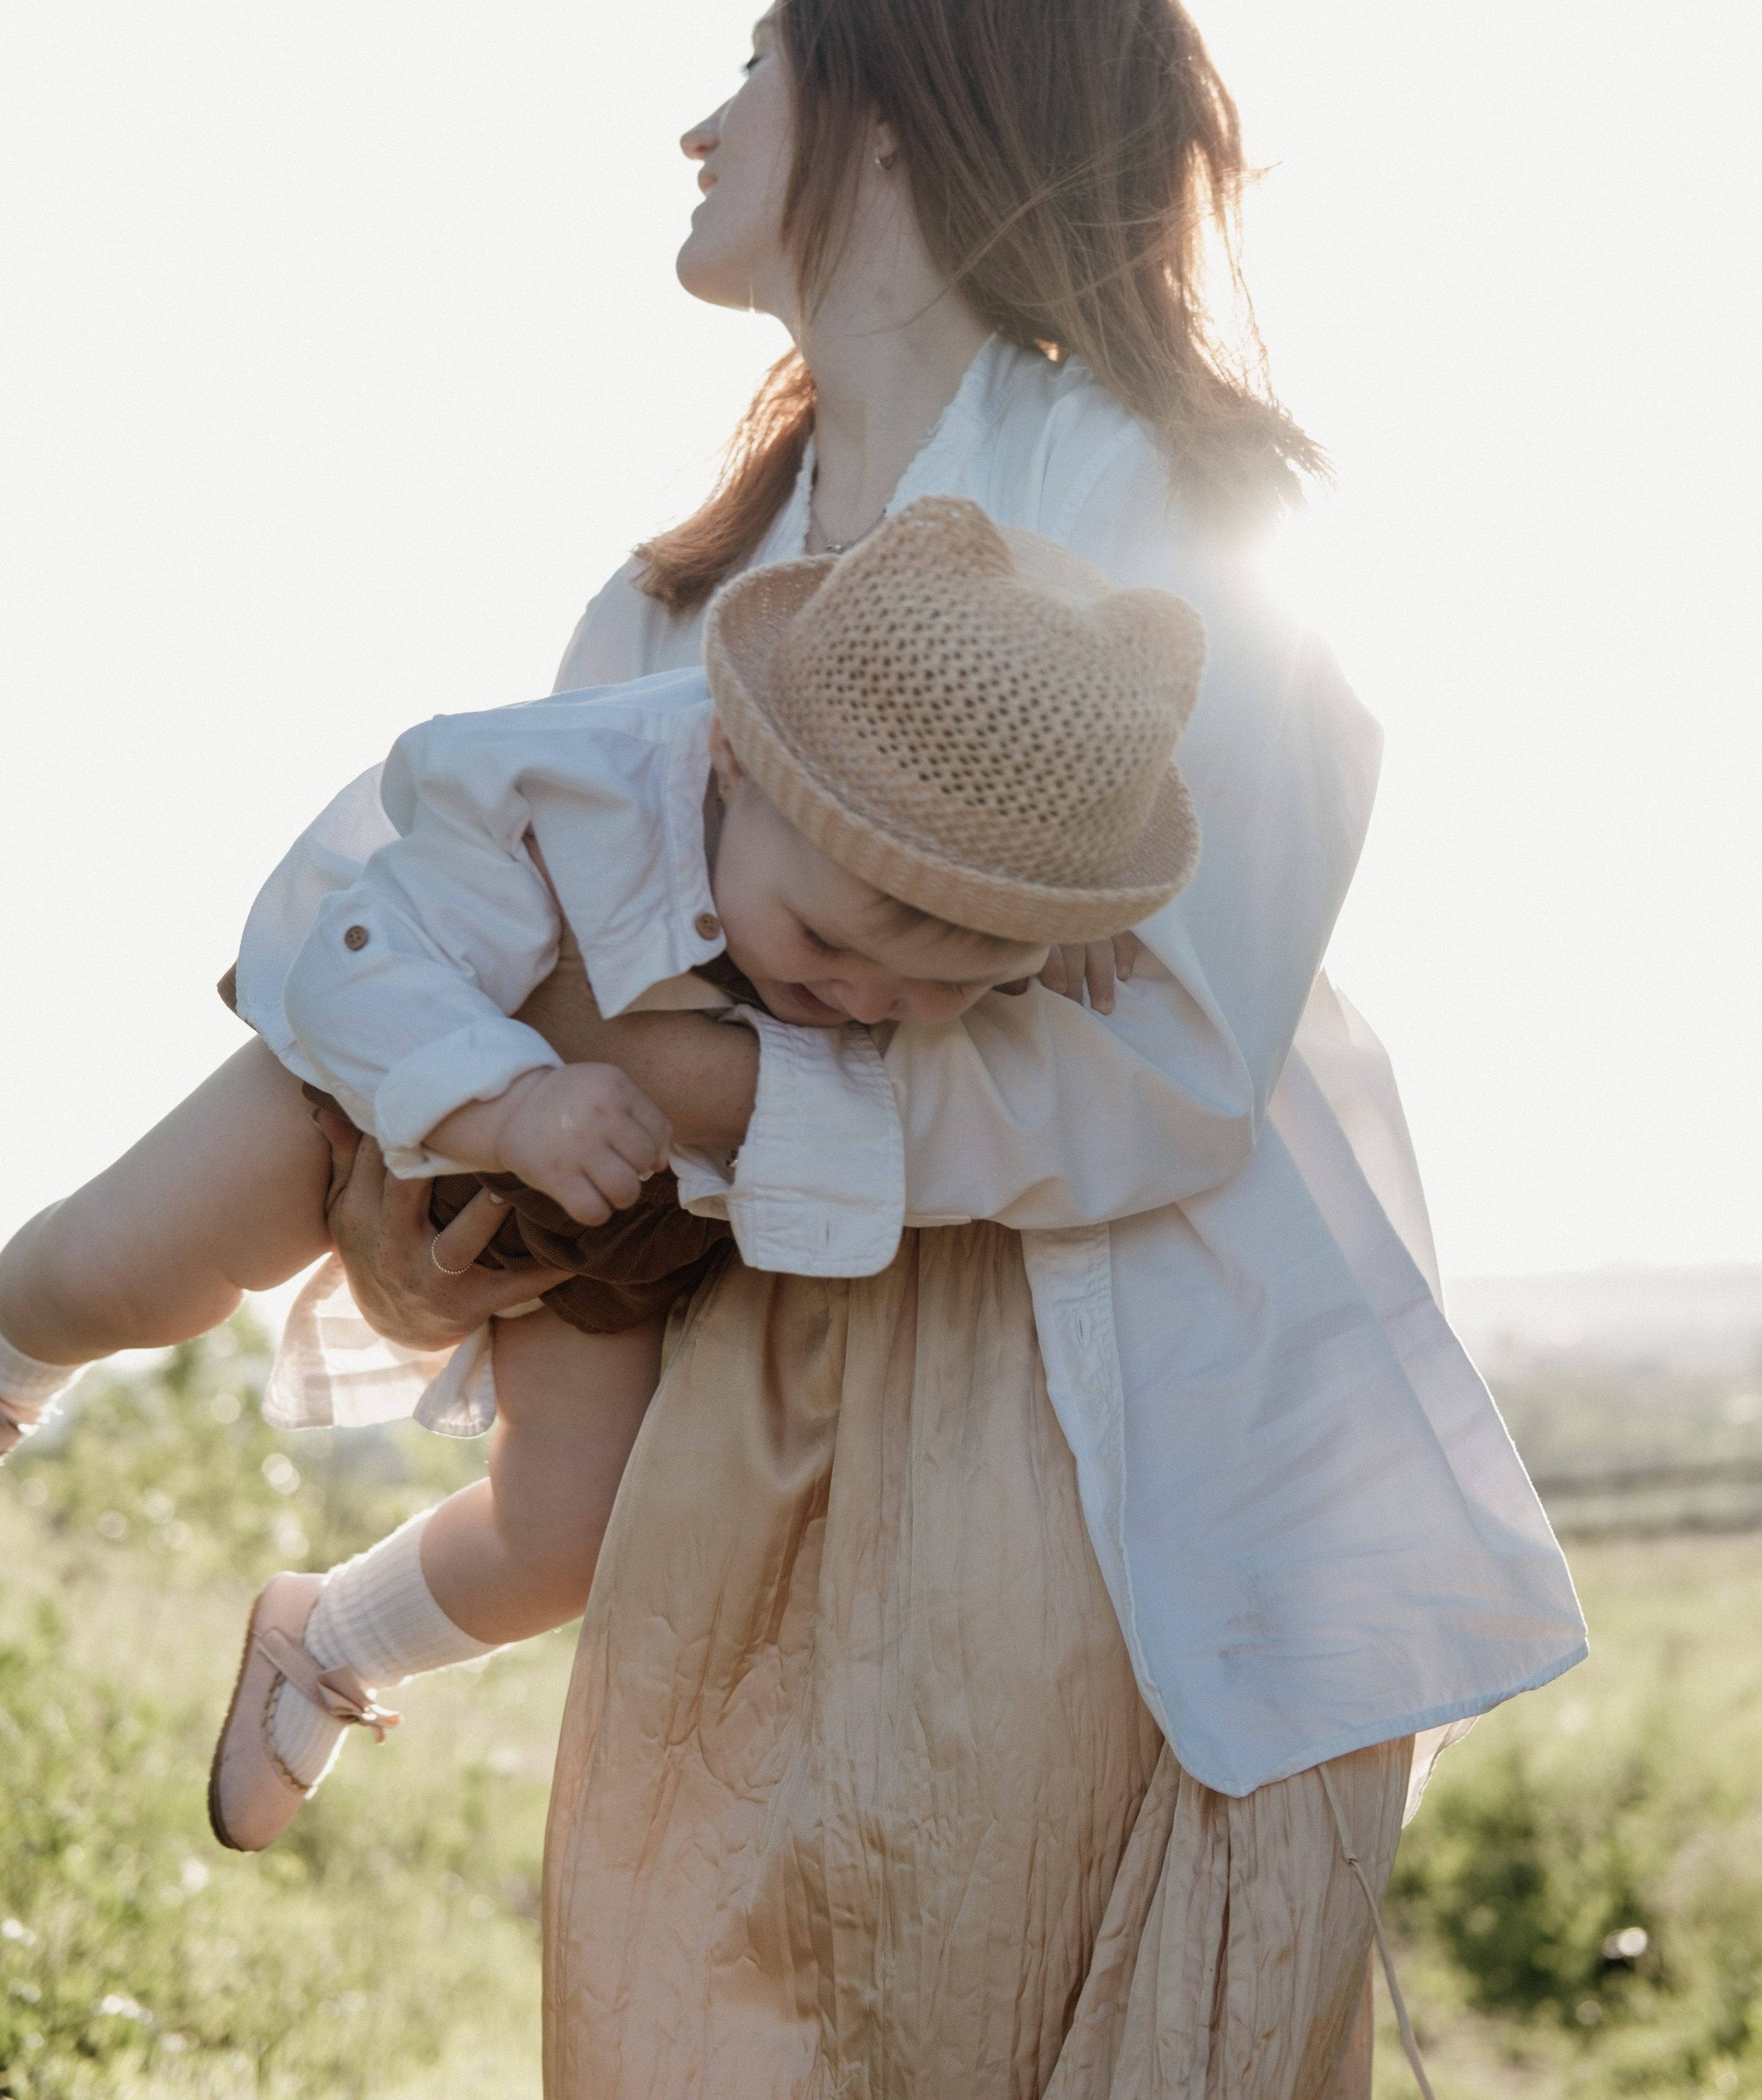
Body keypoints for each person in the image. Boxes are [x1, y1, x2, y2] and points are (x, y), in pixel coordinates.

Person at [295, 0, 1585, 2097]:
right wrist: (468, 1189)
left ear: (893, 110)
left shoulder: (1181, 514)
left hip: (1070, 1411)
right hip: (748, 1417)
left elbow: (1177, 1060)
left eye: (757, 62)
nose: (696, 127)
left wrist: (703, 1094)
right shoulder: (676, 590)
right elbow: (526, 985)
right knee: (703, 2016)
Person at [0, 501, 1207, 1860]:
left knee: (572, 1534)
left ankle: (331, 1637)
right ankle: (10, 1359)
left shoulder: (929, 884)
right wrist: (507, 1102)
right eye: (822, 942)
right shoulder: (565, 795)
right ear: (739, 766)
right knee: (127, 1273)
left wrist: (1054, 942)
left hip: (627, 1211)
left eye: (953, 988)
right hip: (385, 1088)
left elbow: (1016, 997)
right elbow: (358, 956)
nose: (867, 1000)